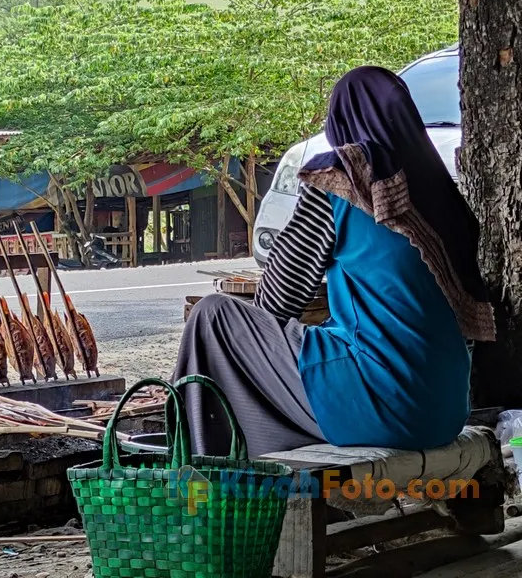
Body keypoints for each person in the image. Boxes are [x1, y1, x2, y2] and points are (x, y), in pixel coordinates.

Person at [174, 66, 496, 458]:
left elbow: (277, 301)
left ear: (340, 122)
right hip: (446, 412)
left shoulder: (342, 178)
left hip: (386, 405)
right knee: (322, 344)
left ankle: (198, 473)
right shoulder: (447, 197)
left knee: (212, 317)